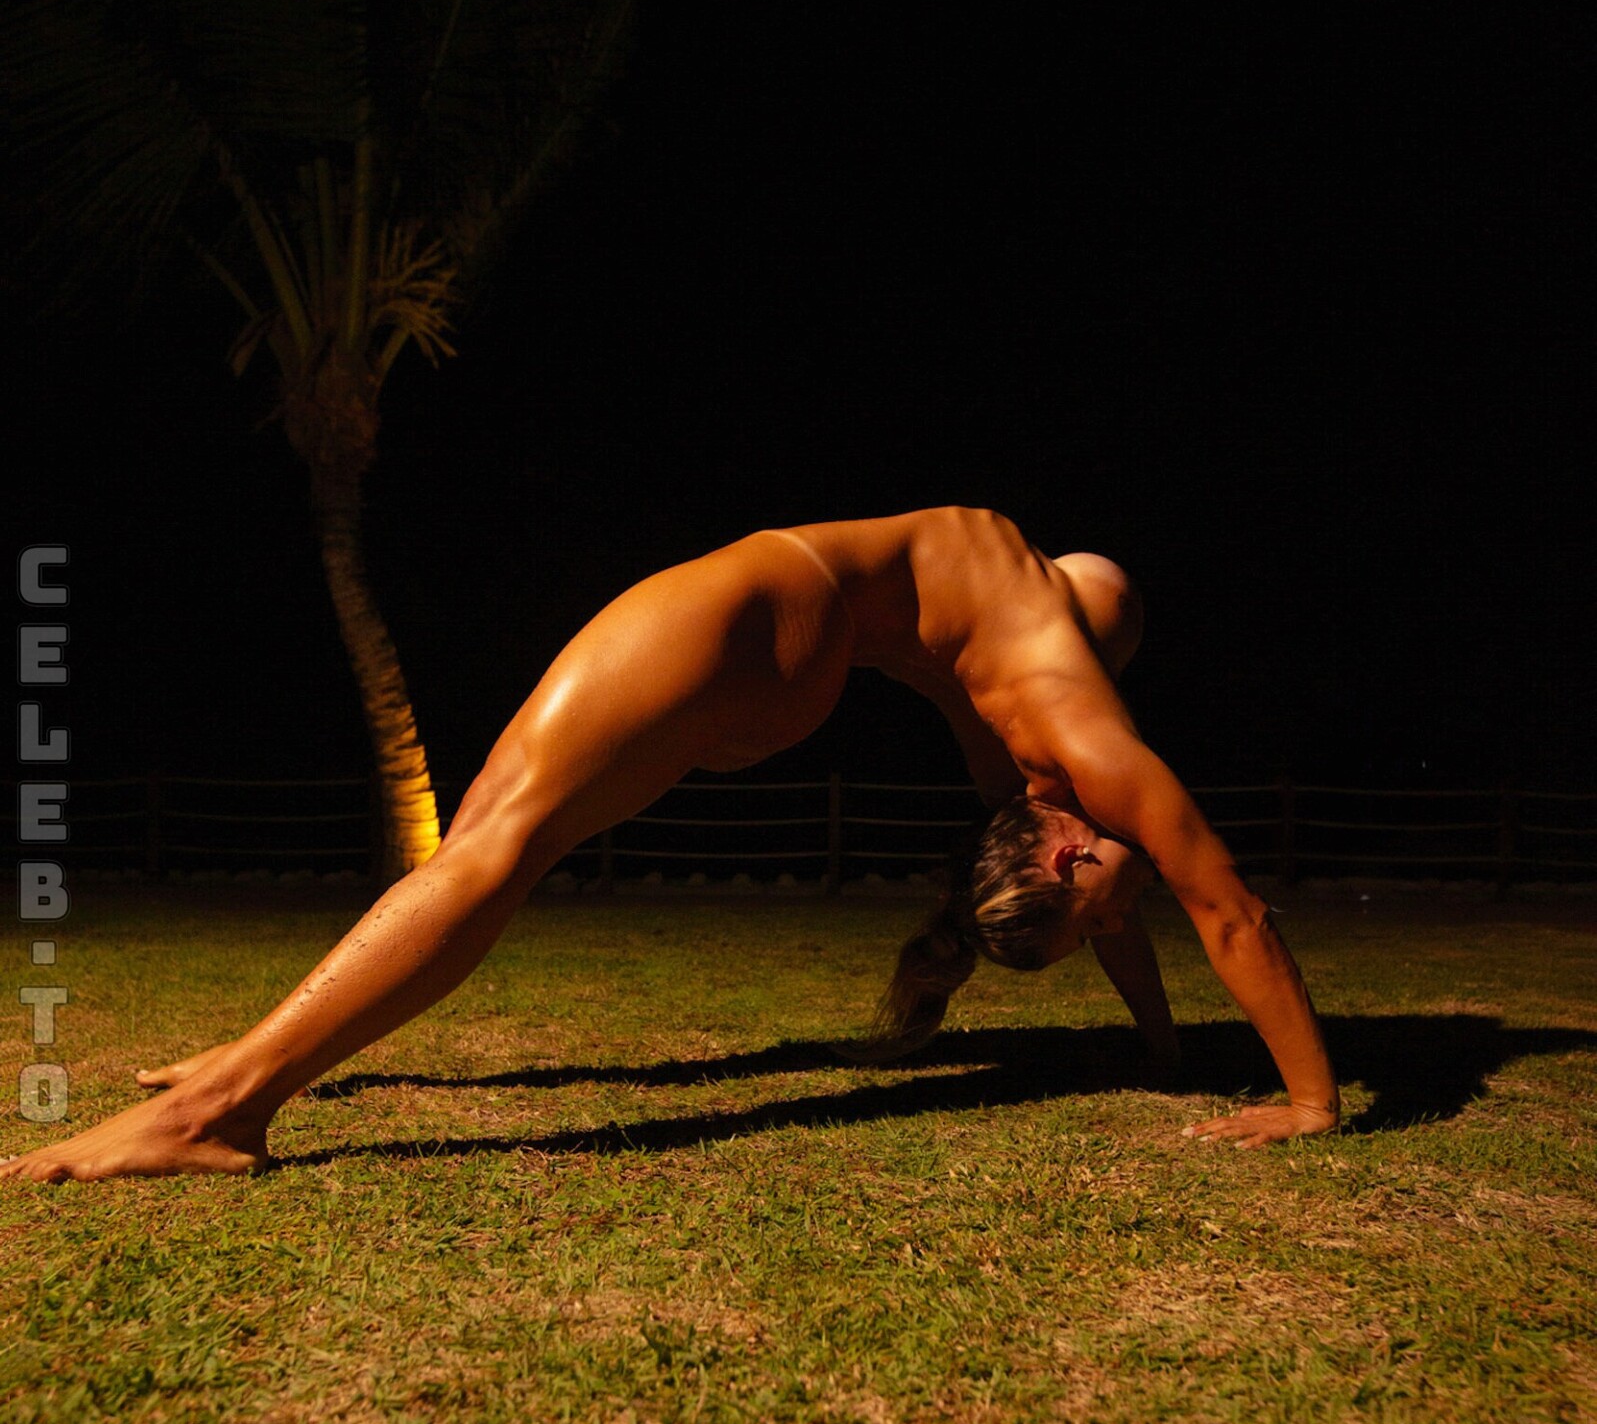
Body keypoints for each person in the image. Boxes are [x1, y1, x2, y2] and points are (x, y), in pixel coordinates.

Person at [1, 506, 1337, 1184]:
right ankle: (241, 1070)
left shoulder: (1028, 690)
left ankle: (218, 1112)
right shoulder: (1070, 745)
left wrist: (1253, 1081)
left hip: (765, 615)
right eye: (1107, 901)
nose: (1121, 899)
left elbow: (1186, 909)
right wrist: (1226, 1073)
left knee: (494, 844)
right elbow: (1209, 908)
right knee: (491, 842)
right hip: (780, 653)